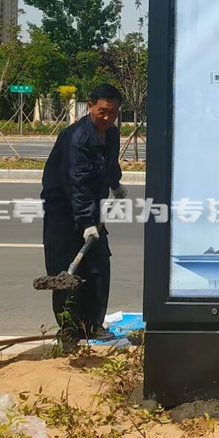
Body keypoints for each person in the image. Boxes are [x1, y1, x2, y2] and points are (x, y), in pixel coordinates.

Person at [41, 82, 127, 350]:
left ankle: (93, 325)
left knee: (98, 266)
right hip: (63, 211)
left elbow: (110, 163)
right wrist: (86, 222)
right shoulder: (75, 138)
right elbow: (75, 182)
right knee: (66, 270)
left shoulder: (111, 133)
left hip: (91, 207)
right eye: (103, 111)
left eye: (113, 113)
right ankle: (68, 330)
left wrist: (115, 184)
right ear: (90, 106)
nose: (108, 117)